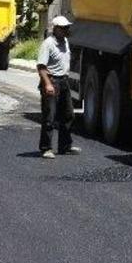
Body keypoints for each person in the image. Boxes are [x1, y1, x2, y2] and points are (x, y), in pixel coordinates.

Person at [37, 15, 80, 159]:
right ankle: (46, 148)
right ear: (55, 29)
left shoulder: (65, 41)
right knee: (50, 117)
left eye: (67, 27)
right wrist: (48, 84)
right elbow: (41, 67)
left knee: (68, 115)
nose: (66, 30)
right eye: (63, 28)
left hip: (64, 81)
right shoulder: (48, 44)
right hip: (52, 81)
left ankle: (65, 146)